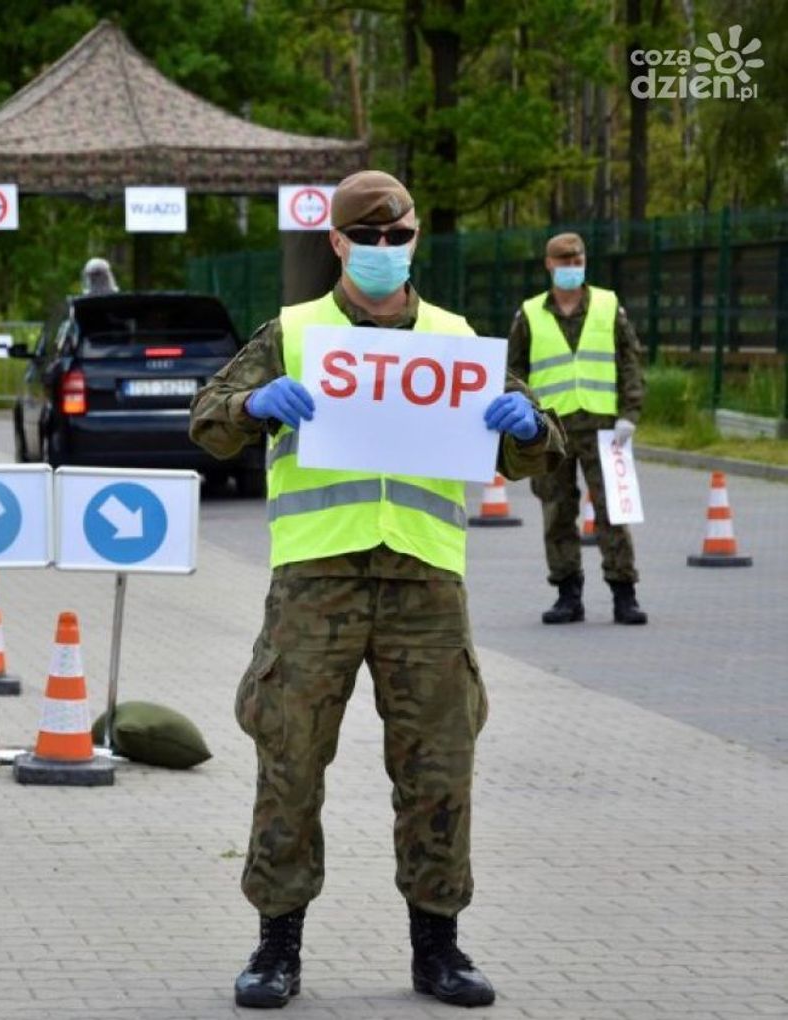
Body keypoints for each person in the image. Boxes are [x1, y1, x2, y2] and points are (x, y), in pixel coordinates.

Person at [189, 170, 565, 1010]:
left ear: (416, 237)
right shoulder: (295, 333)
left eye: (398, 237)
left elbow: (541, 449)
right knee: (289, 759)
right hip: (315, 582)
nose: (385, 250)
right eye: (368, 238)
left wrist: (530, 427)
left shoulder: (456, 341)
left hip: (425, 584)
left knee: (440, 765)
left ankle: (439, 947)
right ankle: (276, 946)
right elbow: (207, 419)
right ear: (338, 243)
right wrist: (255, 402)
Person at [508, 232, 647, 625]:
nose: (572, 267)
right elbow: (513, 371)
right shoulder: (529, 314)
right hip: (551, 430)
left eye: (577, 261)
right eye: (564, 261)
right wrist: (523, 419)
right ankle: (567, 594)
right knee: (557, 511)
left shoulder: (608, 305)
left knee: (612, 510)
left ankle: (624, 593)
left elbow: (630, 361)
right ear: (549, 265)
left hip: (604, 427)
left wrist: (630, 413)